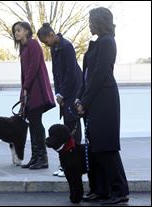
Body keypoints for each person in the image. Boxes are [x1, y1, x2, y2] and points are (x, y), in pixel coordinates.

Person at [75, 7, 129, 204]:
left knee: (106, 147)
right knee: (94, 147)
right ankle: (101, 189)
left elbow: (99, 75)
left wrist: (85, 101)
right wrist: (80, 98)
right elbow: (87, 75)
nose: (89, 24)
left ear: (99, 22)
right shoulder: (98, 43)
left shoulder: (107, 42)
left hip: (104, 100)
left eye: (91, 21)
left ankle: (120, 191)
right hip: (94, 99)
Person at [37, 23, 83, 177]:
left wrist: (62, 94)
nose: (46, 44)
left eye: (46, 41)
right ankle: (66, 164)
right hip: (64, 91)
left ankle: (74, 164)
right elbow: (56, 73)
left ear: (51, 34)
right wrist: (57, 93)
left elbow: (71, 73)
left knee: (73, 126)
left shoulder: (67, 46)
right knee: (67, 127)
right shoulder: (54, 47)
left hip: (73, 89)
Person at [12, 21, 56, 170]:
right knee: (33, 124)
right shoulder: (24, 48)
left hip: (37, 90)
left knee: (36, 123)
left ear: (27, 31)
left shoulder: (33, 44)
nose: (16, 33)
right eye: (15, 31)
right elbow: (24, 73)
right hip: (30, 90)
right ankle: (35, 157)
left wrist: (26, 88)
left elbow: (33, 67)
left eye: (19, 30)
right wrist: (23, 93)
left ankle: (42, 158)